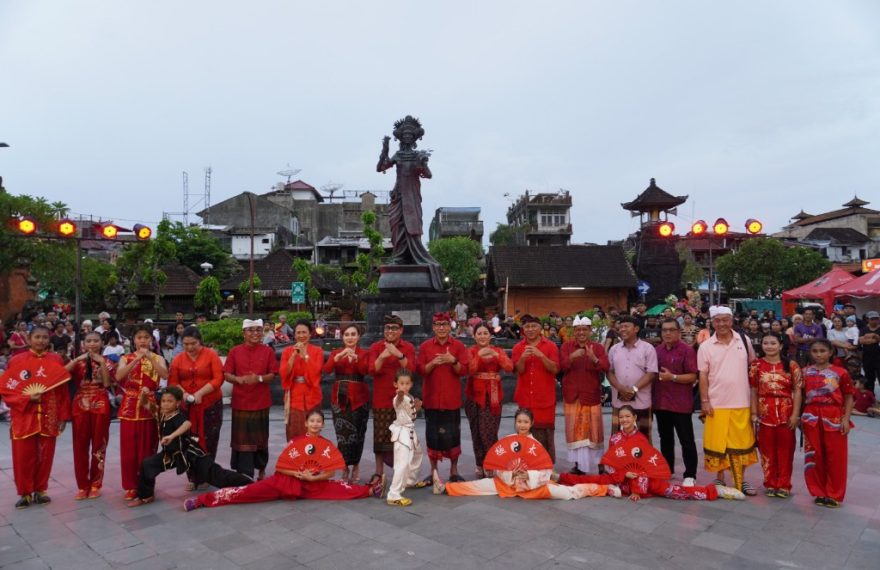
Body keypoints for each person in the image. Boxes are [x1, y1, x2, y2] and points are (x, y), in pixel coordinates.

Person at [184, 410, 386, 510]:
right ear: (306, 423)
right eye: (312, 421)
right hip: (284, 481)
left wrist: (313, 478)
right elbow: (282, 467)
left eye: (319, 421)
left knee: (340, 488)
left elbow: (330, 472)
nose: (315, 424)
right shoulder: (296, 442)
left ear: (323, 425)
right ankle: (201, 501)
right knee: (245, 492)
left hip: (312, 484)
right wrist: (297, 472)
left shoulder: (326, 446)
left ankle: (371, 490)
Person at [556, 406, 739, 501]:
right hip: (620, 478)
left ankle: (715, 491)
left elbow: (643, 467)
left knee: (676, 492)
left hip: (644, 481)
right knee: (591, 480)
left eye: (628, 417)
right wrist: (623, 474)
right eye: (621, 417)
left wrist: (636, 489)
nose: (624, 420)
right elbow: (611, 464)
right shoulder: (615, 439)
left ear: (635, 418)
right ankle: (558, 477)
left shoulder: (641, 439)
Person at [440, 408, 613, 500]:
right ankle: (444, 487)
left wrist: (528, 475)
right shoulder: (507, 441)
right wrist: (509, 473)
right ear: (515, 422)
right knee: (476, 486)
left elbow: (546, 471)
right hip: (507, 484)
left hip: (533, 487)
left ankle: (605, 489)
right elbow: (493, 468)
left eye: (525, 422)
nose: (522, 425)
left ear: (531, 423)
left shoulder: (536, 445)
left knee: (568, 493)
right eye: (519, 421)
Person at [127, 386, 252, 507]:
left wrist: (172, 436)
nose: (165, 404)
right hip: (171, 455)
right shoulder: (160, 413)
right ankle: (146, 495)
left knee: (215, 474)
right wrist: (143, 393)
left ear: (177, 403)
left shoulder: (178, 416)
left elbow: (187, 424)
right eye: (163, 401)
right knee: (147, 464)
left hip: (190, 453)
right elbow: (145, 403)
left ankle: (248, 484)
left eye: (170, 401)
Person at [5, 326, 71, 509]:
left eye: (44, 337)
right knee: (23, 455)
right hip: (24, 415)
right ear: (29, 339)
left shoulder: (56, 359)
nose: (41, 341)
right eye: (37, 337)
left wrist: (63, 415)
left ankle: (41, 490)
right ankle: (25, 492)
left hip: (49, 413)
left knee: (46, 454)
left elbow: (62, 390)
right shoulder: (17, 360)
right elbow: (9, 390)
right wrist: (26, 398)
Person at [697, 306, 758, 496]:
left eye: (725, 320)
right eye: (717, 320)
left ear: (731, 321)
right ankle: (720, 478)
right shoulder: (705, 346)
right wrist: (704, 401)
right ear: (712, 322)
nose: (721, 324)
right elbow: (703, 375)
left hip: (742, 402)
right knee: (718, 444)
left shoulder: (744, 341)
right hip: (716, 403)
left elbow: (753, 368)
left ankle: (741, 480)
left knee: (742, 444)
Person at [115, 325, 169, 500]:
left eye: (146, 337)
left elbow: (164, 375)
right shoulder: (125, 358)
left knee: (148, 448)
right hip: (129, 406)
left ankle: (146, 485)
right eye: (139, 337)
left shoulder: (158, 358)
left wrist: (150, 358)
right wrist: (136, 360)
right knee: (129, 449)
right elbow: (118, 377)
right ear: (134, 340)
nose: (143, 340)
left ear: (151, 340)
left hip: (149, 406)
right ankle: (130, 486)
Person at [168, 326, 225, 489]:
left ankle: (206, 474)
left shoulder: (211, 355)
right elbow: (173, 381)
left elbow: (218, 378)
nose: (190, 347)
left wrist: (200, 393)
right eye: (186, 344)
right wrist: (184, 394)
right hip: (187, 406)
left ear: (200, 341)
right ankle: (192, 477)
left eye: (193, 343)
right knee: (188, 440)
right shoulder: (178, 359)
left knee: (209, 439)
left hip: (210, 404)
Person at [800, 339, 855, 508]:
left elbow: (849, 396)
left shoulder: (841, 372)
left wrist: (845, 419)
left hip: (834, 417)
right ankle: (819, 491)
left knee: (836, 457)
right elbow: (799, 396)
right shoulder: (804, 372)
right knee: (814, 455)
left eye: (822, 351)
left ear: (830, 352)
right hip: (811, 417)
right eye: (815, 351)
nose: (818, 354)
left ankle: (834, 494)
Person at [418, 312, 469, 483]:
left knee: (453, 436)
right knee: (432, 437)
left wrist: (453, 360)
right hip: (432, 399)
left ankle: (454, 470)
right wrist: (433, 363)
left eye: (445, 325)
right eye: (438, 325)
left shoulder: (458, 346)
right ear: (433, 327)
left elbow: (463, 370)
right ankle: (433, 471)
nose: (441, 328)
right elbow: (421, 371)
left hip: (451, 399)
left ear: (449, 327)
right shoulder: (425, 346)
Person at [749, 334, 802, 498]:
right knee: (766, 451)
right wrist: (754, 413)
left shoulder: (792, 365)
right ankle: (770, 483)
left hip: (786, 413)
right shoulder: (756, 365)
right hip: (765, 413)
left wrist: (796, 415)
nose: (769, 346)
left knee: (786, 451)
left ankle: (784, 485)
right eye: (765, 343)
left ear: (780, 346)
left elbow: (798, 391)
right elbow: (754, 390)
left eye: (773, 343)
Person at [223, 319, 278, 480]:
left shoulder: (268, 351)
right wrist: (238, 379)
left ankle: (261, 468)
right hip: (241, 401)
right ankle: (243, 472)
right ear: (244, 333)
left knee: (261, 437)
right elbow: (226, 374)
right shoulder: (235, 351)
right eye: (251, 330)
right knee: (241, 438)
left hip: (261, 401)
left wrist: (259, 378)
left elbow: (273, 374)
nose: (255, 333)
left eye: (258, 330)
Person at [367, 315, 416, 481]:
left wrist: (399, 355)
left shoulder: (408, 347)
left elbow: (411, 369)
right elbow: (372, 370)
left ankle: (401, 472)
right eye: (387, 328)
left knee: (403, 438)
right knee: (380, 437)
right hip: (381, 399)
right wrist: (382, 356)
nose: (390, 331)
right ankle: (378, 472)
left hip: (402, 401)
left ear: (401, 330)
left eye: (394, 328)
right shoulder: (376, 347)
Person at [66, 332, 112, 500]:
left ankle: (95, 484)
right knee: (80, 447)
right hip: (80, 405)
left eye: (95, 341)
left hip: (100, 404)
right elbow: (61, 374)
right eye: (89, 341)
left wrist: (102, 363)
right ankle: (82, 486)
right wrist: (77, 359)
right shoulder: (78, 362)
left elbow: (106, 383)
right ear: (83, 344)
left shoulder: (107, 361)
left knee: (99, 445)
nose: (92, 344)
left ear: (101, 343)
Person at [560, 315, 609, 475]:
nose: (581, 332)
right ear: (574, 331)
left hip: (591, 395)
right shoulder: (566, 347)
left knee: (594, 431)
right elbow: (560, 367)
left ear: (590, 331)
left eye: (584, 329)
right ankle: (579, 466)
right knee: (574, 431)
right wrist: (572, 357)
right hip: (572, 395)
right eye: (578, 330)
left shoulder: (598, 348)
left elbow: (605, 367)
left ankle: (600, 464)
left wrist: (593, 358)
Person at [653, 318, 699, 487]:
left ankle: (690, 474)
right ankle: (668, 469)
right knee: (665, 438)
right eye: (664, 330)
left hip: (681, 403)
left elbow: (693, 376)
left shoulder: (687, 350)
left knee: (686, 439)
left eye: (671, 330)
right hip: (661, 401)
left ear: (679, 332)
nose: (667, 333)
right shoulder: (657, 351)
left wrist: (672, 377)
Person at [465, 323, 514, 478]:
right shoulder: (471, 351)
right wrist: (479, 355)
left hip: (493, 396)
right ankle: (480, 463)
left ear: (490, 335)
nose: (482, 336)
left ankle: (492, 462)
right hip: (474, 394)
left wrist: (496, 355)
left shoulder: (498, 350)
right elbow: (469, 370)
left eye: (485, 333)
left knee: (489, 431)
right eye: (479, 333)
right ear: (474, 336)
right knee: (476, 431)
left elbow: (509, 367)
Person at [323, 324, 370, 483]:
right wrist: (337, 358)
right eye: (347, 335)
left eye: (353, 334)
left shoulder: (364, 353)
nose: (350, 337)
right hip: (339, 397)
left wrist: (356, 359)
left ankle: (356, 464)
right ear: (342, 337)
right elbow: (326, 370)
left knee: (359, 433)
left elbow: (365, 371)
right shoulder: (336, 352)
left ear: (358, 336)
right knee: (342, 434)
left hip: (359, 397)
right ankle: (344, 466)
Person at [512, 314, 561, 460]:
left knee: (545, 434)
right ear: (523, 329)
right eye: (527, 326)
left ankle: (546, 466)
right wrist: (522, 358)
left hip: (545, 399)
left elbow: (555, 369)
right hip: (525, 399)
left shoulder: (550, 346)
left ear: (540, 328)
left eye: (534, 326)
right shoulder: (517, 347)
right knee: (524, 433)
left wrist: (541, 355)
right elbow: (518, 371)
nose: (530, 329)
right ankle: (525, 464)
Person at [607, 315, 658, 439]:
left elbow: (651, 373)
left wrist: (633, 389)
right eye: (620, 327)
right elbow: (609, 372)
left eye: (626, 326)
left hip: (641, 402)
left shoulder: (648, 348)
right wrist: (620, 388)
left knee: (643, 440)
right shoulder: (614, 349)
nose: (622, 329)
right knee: (618, 440)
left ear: (636, 329)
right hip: (619, 402)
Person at [387, 369, 429, 506]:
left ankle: (411, 480)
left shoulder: (410, 396)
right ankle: (394, 494)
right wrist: (400, 395)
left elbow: (410, 413)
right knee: (402, 463)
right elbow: (398, 402)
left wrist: (417, 407)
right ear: (396, 384)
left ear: (411, 384)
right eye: (402, 383)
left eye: (407, 383)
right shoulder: (398, 397)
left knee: (417, 454)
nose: (404, 386)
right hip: (402, 432)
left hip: (410, 430)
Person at [279, 320, 324, 441]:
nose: (301, 335)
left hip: (312, 395)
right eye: (298, 332)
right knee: (294, 431)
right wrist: (293, 356)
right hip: (294, 396)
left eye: (304, 332)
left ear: (310, 334)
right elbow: (283, 373)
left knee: (312, 432)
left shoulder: (317, 351)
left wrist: (305, 355)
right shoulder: (287, 351)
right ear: (294, 334)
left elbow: (316, 371)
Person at [858, 311, 880, 395]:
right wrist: (875, 338)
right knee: (869, 378)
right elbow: (861, 341)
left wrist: (872, 337)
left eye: (876, 319)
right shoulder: (863, 329)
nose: (874, 321)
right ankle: (871, 398)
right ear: (867, 319)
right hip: (867, 357)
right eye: (872, 319)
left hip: (879, 357)